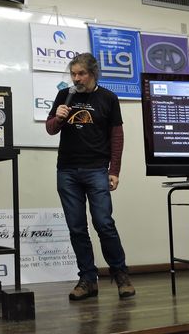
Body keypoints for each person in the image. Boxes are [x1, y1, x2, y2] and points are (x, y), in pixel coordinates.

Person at [46, 52, 135, 300]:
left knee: (104, 224)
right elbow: (51, 129)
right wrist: (58, 118)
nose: (76, 79)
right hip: (67, 171)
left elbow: (117, 137)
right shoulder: (64, 95)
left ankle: (121, 275)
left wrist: (114, 170)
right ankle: (87, 279)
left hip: (97, 169)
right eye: (73, 74)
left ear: (93, 73)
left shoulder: (108, 98)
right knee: (76, 228)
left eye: (81, 74)